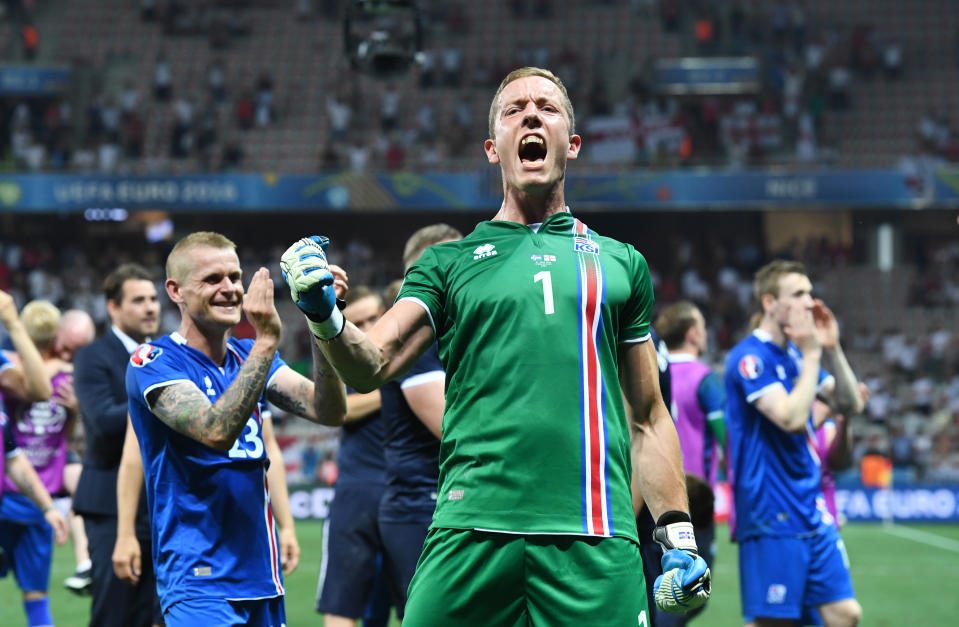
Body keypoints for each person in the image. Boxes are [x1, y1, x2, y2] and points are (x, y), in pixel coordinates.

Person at [280, 67, 710, 625]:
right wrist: (322, 315)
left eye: (547, 108)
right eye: (514, 110)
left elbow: (648, 417)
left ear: (572, 145)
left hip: (594, 539)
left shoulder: (620, 263)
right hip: (469, 534)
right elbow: (371, 363)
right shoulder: (447, 264)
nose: (531, 114)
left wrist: (678, 535)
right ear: (492, 148)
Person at [124, 231, 347, 627]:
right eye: (212, 280)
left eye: (234, 277)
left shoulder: (249, 357)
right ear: (175, 290)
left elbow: (328, 410)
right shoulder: (154, 361)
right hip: (198, 579)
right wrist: (265, 341)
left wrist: (321, 322)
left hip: (262, 575)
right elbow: (214, 431)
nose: (229, 289)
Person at [724, 259, 863, 627]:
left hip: (810, 506)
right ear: (770, 303)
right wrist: (814, 355)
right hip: (771, 512)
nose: (810, 302)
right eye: (798, 294)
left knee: (845, 614)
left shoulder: (798, 357)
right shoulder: (750, 358)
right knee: (776, 623)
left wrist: (831, 349)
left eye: (810, 292)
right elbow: (790, 418)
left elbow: (850, 404)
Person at [72, 263, 163, 627]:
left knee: (157, 614)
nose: (150, 307)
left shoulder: (166, 352)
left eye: (154, 299)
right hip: (108, 501)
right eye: (138, 300)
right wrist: (162, 398)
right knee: (114, 613)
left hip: (158, 505)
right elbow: (104, 422)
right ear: (113, 307)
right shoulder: (92, 356)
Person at [376, 224, 459, 618]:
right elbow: (450, 427)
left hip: (452, 498)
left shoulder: (455, 332)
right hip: (419, 503)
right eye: (448, 263)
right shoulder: (416, 334)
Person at [315, 285, 393, 627]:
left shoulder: (412, 354)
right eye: (358, 321)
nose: (369, 325)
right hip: (357, 492)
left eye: (375, 316)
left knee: (418, 600)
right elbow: (337, 410)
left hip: (408, 490)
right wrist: (396, 385)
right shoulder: (342, 365)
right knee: (342, 602)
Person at [652, 301, 726, 626]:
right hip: (692, 500)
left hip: (649, 494)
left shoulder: (650, 369)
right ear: (694, 333)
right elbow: (730, 443)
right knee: (689, 592)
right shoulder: (706, 380)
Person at [0, 300, 72, 627]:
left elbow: (12, 457)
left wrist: (47, 507)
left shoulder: (6, 367)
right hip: (20, 498)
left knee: (38, 599)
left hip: (26, 498)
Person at [52, 309, 97, 596]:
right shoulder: (27, 356)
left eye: (77, 351)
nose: (68, 357)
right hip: (19, 448)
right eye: (65, 348)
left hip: (59, 451)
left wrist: (77, 409)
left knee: (81, 488)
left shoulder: (87, 373)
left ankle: (85, 564)